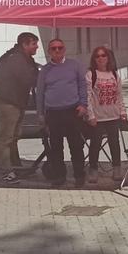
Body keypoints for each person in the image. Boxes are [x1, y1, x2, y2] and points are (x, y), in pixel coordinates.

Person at [36, 38, 89, 187]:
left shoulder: (75, 65)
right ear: (49, 52)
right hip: (53, 113)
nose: (57, 51)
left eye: (60, 48)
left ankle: (79, 175)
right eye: (53, 48)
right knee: (56, 147)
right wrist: (40, 114)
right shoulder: (45, 71)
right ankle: (59, 176)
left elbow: (83, 86)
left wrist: (83, 105)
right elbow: (40, 93)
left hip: (72, 111)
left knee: (76, 145)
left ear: (64, 49)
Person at [0, 32, 40, 184]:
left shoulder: (18, 57)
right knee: (6, 138)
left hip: (13, 102)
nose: (37, 46)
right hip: (8, 103)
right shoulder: (17, 59)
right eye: (34, 44)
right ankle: (7, 171)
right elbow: (29, 79)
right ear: (24, 45)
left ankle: (14, 167)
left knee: (13, 137)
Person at [85, 46, 126, 183]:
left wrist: (123, 112)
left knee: (115, 144)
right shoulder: (91, 74)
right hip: (98, 117)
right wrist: (90, 115)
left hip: (113, 116)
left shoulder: (114, 74)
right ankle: (93, 169)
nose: (101, 58)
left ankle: (117, 168)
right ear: (94, 59)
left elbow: (119, 95)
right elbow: (88, 97)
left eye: (103, 55)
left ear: (108, 58)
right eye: (97, 56)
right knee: (95, 144)